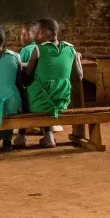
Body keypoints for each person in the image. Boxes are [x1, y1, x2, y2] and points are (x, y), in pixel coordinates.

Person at [22, 18, 83, 149]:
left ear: (54, 34)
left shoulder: (37, 50)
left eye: (41, 32)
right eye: (36, 32)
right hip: (62, 102)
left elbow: (28, 75)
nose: (37, 35)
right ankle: (48, 135)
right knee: (45, 90)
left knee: (25, 92)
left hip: (40, 104)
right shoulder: (70, 49)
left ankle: (21, 136)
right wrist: (76, 58)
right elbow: (78, 77)